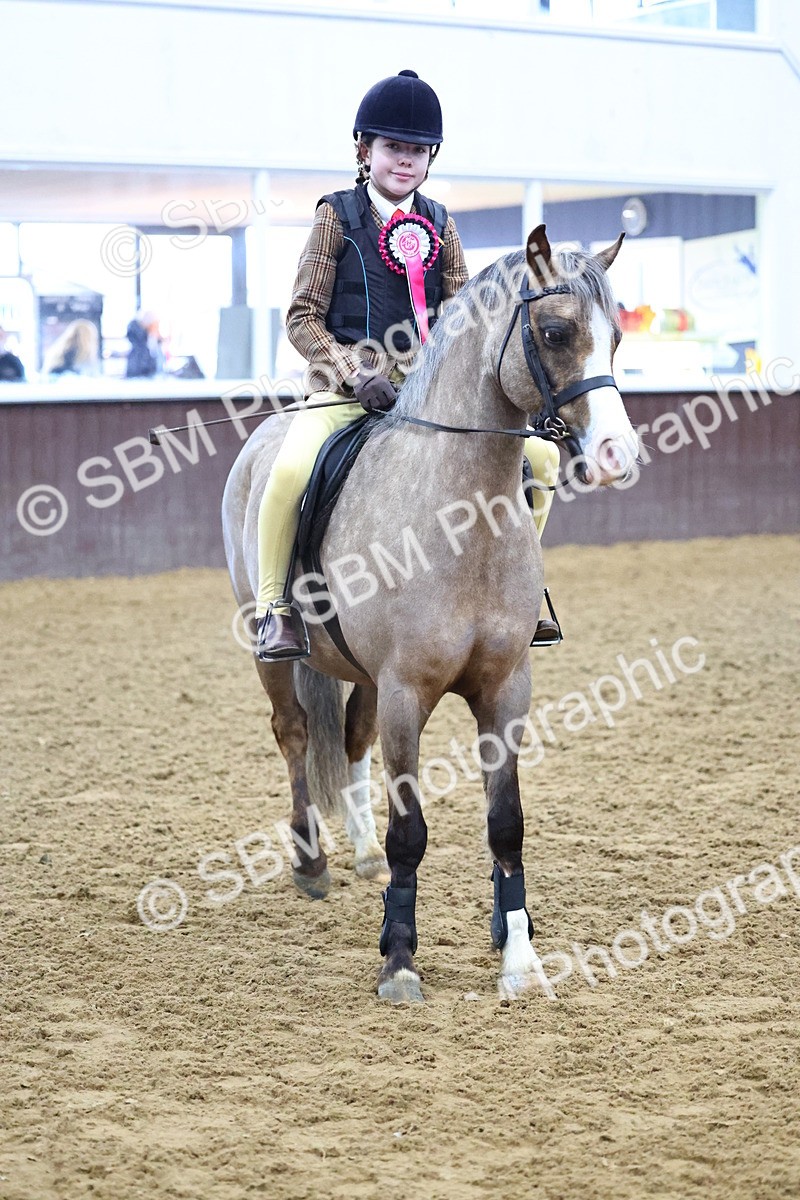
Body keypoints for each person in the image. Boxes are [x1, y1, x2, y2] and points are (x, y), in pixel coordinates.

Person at [255, 69, 560, 661]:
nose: (406, 160)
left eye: (418, 151)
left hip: (427, 400)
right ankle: (275, 608)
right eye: (394, 148)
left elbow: (467, 318)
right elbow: (301, 318)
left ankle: (521, 589)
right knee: (289, 471)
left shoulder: (441, 224)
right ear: (364, 150)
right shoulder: (335, 218)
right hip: (348, 395)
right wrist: (352, 371)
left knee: (542, 458)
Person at [125, 311, 164, 378]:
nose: (157, 329)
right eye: (155, 325)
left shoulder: (148, 342)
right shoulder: (140, 349)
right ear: (149, 325)